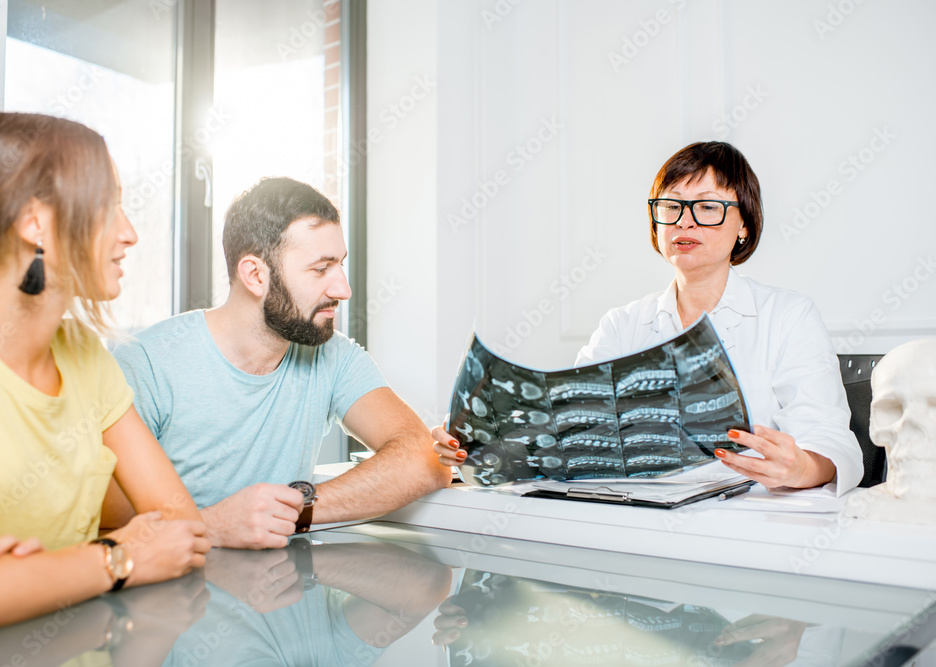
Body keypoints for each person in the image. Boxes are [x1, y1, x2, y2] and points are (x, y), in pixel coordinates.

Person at [433, 141, 863, 496]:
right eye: (670, 206)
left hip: (748, 520)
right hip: (633, 516)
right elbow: (566, 431)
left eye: (708, 207)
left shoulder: (788, 316)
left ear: (744, 225)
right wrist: (482, 445)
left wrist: (800, 467)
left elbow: (831, 444)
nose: (684, 221)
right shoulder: (622, 325)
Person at [0, 112, 210, 639]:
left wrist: (13, 578)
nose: (129, 233)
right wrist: (114, 560)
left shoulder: (85, 353)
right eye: (107, 206)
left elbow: (182, 529)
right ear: (36, 223)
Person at [111, 177, 451, 549]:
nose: (343, 290)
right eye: (321, 269)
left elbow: (423, 458)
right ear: (255, 275)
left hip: (282, 590)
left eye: (339, 265)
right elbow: (101, 517)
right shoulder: (147, 362)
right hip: (172, 594)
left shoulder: (332, 354)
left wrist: (294, 509)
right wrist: (217, 525)